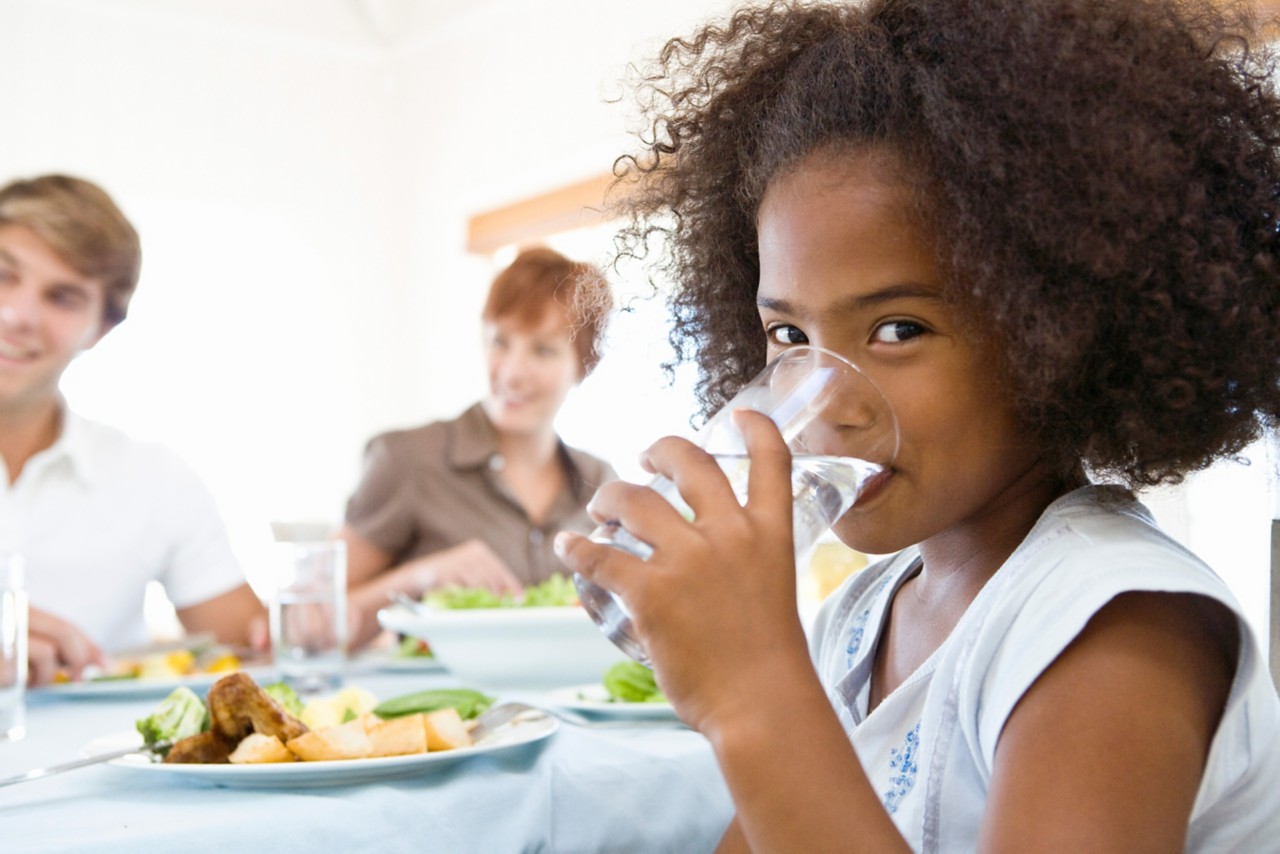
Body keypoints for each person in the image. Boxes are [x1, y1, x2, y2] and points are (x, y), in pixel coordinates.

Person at [555, 0, 1280, 850]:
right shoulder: (861, 618)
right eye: (789, 337)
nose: (829, 400)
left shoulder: (1116, 627)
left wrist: (751, 693)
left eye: (898, 330)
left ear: (1057, 330)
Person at [0, 174, 265, 685]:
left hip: (92, 765)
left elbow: (256, 656)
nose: (17, 314)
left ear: (101, 329)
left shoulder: (155, 479)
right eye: (2, 275)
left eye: (62, 297)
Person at [341, 247, 616, 647]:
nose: (511, 372)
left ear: (583, 365)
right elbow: (308, 622)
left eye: (542, 349)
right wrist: (421, 577)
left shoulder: (599, 483)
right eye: (500, 341)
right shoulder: (408, 460)